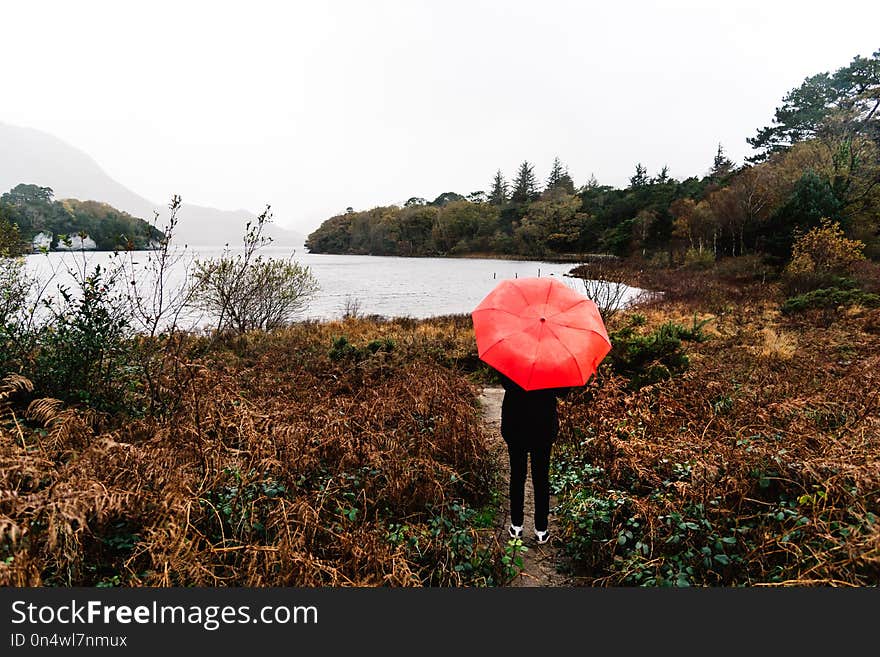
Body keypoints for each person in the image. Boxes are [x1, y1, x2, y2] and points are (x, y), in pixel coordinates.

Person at [498, 373, 570, 544]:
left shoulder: (514, 354)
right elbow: (563, 391)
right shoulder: (553, 362)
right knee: (541, 478)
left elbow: (505, 383)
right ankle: (541, 530)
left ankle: (516, 526)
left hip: (515, 425)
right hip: (543, 427)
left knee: (517, 475)